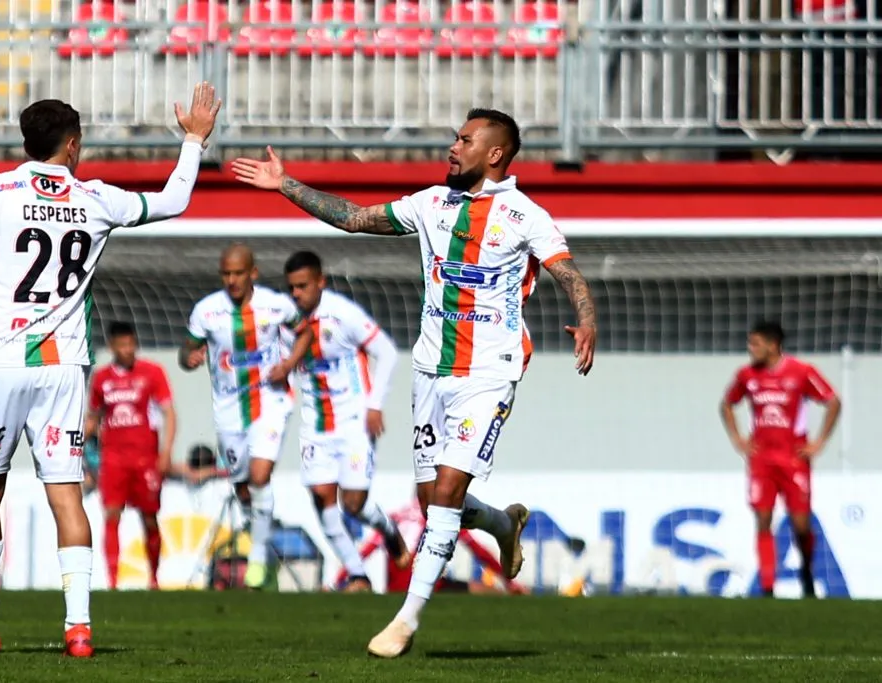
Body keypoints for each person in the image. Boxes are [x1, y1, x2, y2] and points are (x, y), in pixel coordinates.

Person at [232, 108, 597, 657]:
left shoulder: (525, 216)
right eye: (455, 138)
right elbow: (354, 219)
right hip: (431, 370)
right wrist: (284, 184)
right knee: (432, 502)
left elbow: (567, 272)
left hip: (488, 373)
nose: (453, 147)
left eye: (465, 140)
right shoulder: (430, 204)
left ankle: (404, 621)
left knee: (447, 493)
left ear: (495, 153)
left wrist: (586, 318)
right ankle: (501, 522)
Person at [0, 81, 221, 657]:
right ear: (72, 145)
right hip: (64, 369)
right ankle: (78, 628)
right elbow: (174, 201)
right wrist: (194, 140)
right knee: (67, 497)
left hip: (0, 363)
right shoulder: (98, 198)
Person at [179, 244, 313, 590]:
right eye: (226, 274)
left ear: (252, 273)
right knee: (243, 489)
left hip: (270, 401)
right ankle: (262, 541)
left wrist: (288, 364)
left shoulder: (276, 305)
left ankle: (257, 560)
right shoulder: (207, 311)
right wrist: (188, 358)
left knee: (259, 474)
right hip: (228, 410)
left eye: (238, 273)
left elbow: (305, 333)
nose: (232, 280)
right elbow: (186, 349)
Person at [284, 250, 411, 592]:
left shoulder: (343, 314)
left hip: (354, 421)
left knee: (353, 504)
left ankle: (388, 530)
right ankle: (357, 575)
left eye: (303, 286)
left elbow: (385, 351)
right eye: (292, 288)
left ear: (320, 283)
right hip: (315, 425)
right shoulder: (286, 320)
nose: (297, 294)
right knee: (321, 496)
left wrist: (375, 406)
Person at [720, 321, 841, 599]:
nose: (751, 349)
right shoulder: (747, 375)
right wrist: (738, 438)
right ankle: (767, 585)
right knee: (762, 519)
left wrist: (819, 441)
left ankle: (807, 571)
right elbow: (727, 403)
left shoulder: (801, 372)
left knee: (800, 525)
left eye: (756, 344)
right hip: (762, 459)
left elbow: (833, 401)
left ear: (773, 345)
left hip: (794, 458)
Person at [85, 321, 177, 591]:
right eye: (122, 345)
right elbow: (94, 417)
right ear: (112, 346)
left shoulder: (152, 373)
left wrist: (166, 451)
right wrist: (76, 442)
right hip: (113, 457)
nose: (127, 349)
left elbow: (169, 413)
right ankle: (113, 581)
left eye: (131, 344)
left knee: (149, 517)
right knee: (112, 513)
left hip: (145, 457)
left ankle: (154, 578)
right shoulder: (102, 378)